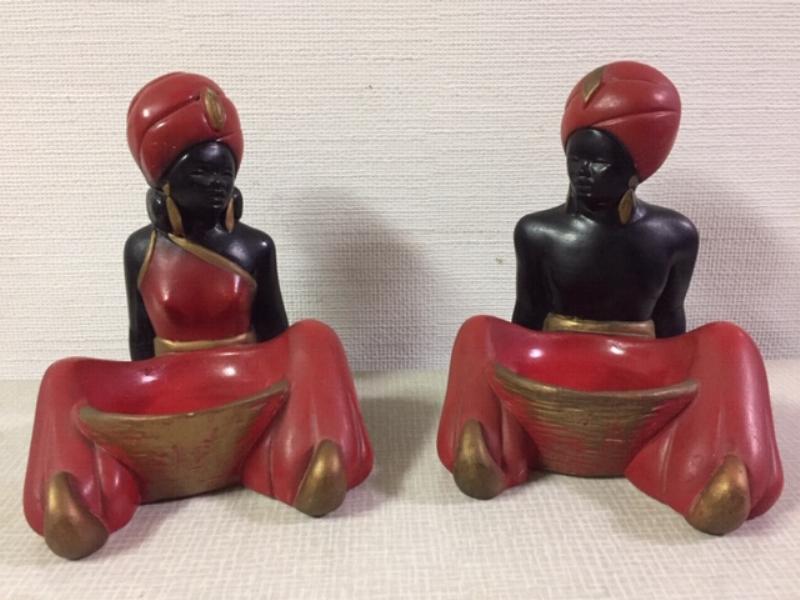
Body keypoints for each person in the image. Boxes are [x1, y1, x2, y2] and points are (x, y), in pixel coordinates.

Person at [24, 73, 373, 560]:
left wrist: (289, 384)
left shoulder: (254, 247)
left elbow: (279, 337)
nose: (218, 186)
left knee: (314, 337)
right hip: (170, 380)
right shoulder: (141, 250)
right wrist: (144, 396)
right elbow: (140, 337)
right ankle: (82, 493)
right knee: (64, 377)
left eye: (225, 174)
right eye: (202, 176)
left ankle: (303, 457)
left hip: (245, 376)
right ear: (164, 181)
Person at [436, 62, 783, 535]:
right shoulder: (538, 231)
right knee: (477, 330)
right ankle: (488, 449)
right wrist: (515, 371)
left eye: (599, 162)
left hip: (641, 359)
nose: (583, 172)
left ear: (636, 169)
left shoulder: (674, 234)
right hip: (555, 355)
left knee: (729, 341)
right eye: (575, 158)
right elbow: (526, 317)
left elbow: (670, 316)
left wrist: (685, 375)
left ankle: (716, 473)